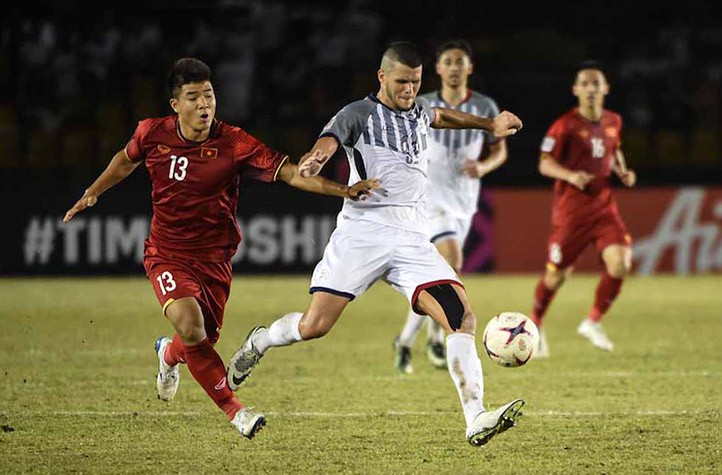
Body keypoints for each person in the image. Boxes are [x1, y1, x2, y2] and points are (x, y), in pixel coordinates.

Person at [226, 41, 525, 447]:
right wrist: (315, 158)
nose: (408, 90)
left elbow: (440, 116)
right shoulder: (358, 114)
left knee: (461, 316)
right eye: (401, 81)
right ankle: (260, 341)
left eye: (416, 82)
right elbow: (328, 143)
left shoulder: (419, 110)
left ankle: (475, 417)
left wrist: (488, 126)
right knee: (315, 326)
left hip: (412, 238)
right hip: (362, 235)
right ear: (382, 76)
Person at [63, 57, 379, 441]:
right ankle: (236, 411)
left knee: (200, 338)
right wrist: (93, 193)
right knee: (191, 325)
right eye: (193, 97)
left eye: (209, 95)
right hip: (167, 253)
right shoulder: (151, 133)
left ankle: (167, 355)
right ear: (175, 105)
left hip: (215, 261)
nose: (204, 105)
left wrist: (344, 190)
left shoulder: (234, 143)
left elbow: (292, 173)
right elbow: (125, 161)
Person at [393, 39, 508, 374]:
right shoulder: (422, 104)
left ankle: (406, 341)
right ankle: (437, 338)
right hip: (427, 200)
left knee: (441, 275)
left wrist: (484, 167)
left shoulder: (485, 106)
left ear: (469, 68)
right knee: (451, 262)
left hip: (463, 203)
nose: (455, 67)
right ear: (438, 68)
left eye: (461, 61)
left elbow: (499, 150)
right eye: (448, 61)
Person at [529, 60, 637, 358]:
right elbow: (544, 163)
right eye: (585, 84)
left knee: (621, 263)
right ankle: (536, 326)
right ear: (576, 90)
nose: (591, 88)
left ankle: (592, 322)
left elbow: (613, 150)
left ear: (605, 88)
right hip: (571, 213)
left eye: (596, 83)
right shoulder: (564, 126)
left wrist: (623, 170)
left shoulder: (614, 120)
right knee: (556, 277)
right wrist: (570, 175)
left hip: (604, 208)